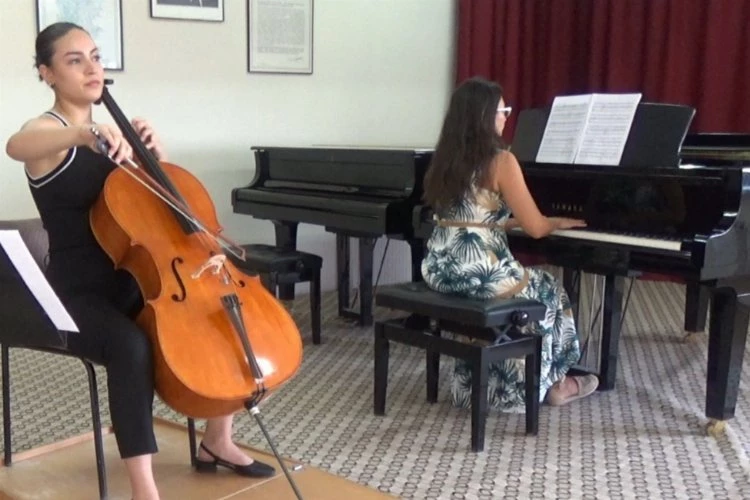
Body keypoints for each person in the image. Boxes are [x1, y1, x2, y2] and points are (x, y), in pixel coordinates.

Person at [5, 22, 274, 500]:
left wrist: (154, 158)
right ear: (47, 73)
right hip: (76, 295)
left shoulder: (118, 141)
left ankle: (217, 441)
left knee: (220, 315)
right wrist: (84, 133)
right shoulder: (49, 134)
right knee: (130, 347)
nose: (92, 68)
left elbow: (155, 217)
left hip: (134, 279)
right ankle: (144, 491)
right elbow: (15, 146)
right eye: (74, 60)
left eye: (95, 56)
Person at [421, 77, 599, 412]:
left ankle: (480, 384)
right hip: (480, 273)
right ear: (484, 116)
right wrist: (553, 221)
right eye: (502, 111)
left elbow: (470, 217)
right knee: (550, 289)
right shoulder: (501, 161)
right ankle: (554, 383)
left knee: (517, 295)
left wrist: (511, 221)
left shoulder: (445, 161)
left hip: (440, 269)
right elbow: (537, 229)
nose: (506, 117)